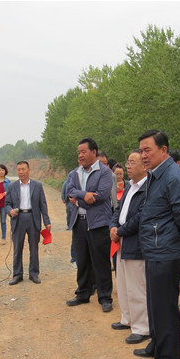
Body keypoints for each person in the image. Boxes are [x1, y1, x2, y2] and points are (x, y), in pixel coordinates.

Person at [133, 130, 180, 359]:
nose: (143, 155)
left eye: (147, 150)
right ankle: (157, 345)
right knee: (154, 303)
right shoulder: (155, 174)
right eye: (141, 150)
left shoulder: (173, 176)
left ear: (163, 150)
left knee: (165, 307)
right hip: (155, 248)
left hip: (167, 251)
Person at [66, 138, 114, 313]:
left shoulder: (105, 172)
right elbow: (69, 191)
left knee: (101, 261)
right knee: (82, 259)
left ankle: (105, 297)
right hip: (79, 222)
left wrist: (79, 201)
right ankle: (83, 293)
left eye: (83, 152)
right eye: (78, 152)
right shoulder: (75, 172)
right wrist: (85, 194)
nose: (80, 155)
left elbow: (100, 196)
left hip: (98, 223)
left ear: (94, 152)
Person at [109, 150, 149, 344]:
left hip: (135, 242)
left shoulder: (148, 188)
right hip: (121, 240)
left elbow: (141, 216)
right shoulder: (129, 187)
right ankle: (127, 318)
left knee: (137, 287)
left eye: (133, 162)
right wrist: (113, 226)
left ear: (144, 166)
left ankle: (142, 327)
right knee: (123, 283)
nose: (128, 166)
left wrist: (120, 230)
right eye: (128, 162)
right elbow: (118, 210)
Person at [5, 161, 51, 285]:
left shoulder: (37, 185)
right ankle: (17, 274)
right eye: (19, 169)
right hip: (18, 219)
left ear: (29, 170)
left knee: (34, 248)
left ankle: (34, 274)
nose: (21, 172)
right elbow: (7, 204)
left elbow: (43, 204)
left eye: (23, 169)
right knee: (17, 248)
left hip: (33, 218)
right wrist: (10, 211)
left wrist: (46, 221)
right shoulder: (12, 186)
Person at [61, 178, 76, 263]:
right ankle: (69, 224)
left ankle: (72, 224)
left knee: (73, 213)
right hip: (68, 201)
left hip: (74, 201)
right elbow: (63, 191)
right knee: (69, 213)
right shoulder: (65, 183)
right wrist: (63, 198)